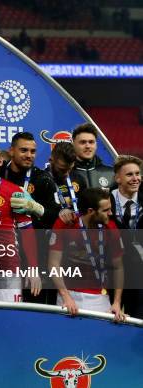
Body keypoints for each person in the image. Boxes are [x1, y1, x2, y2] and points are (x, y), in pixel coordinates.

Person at [0, 144, 41, 302]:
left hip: (7, 268)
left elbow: (27, 232)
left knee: (10, 318)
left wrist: (32, 268)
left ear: (0, 162)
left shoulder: (14, 192)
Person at [49, 188, 125, 321]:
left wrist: (117, 302)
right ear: (91, 211)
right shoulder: (66, 223)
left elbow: (118, 267)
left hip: (99, 298)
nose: (111, 213)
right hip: (67, 295)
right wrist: (65, 296)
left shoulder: (111, 228)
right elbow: (53, 263)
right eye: (106, 210)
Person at [0, 132, 58, 229]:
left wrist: (36, 208)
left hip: (33, 239)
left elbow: (55, 216)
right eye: (24, 150)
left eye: (33, 151)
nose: (29, 155)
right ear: (11, 151)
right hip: (2, 237)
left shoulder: (43, 178)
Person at [110, 155, 143, 318]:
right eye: (130, 174)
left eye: (138, 174)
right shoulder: (105, 201)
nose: (135, 178)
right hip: (110, 272)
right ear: (118, 178)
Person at [46, 142, 88, 226]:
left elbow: (85, 211)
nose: (66, 174)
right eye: (62, 169)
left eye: (69, 169)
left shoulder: (79, 179)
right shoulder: (41, 180)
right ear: (51, 161)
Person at [72, 123, 113, 189]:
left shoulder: (111, 173)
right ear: (73, 144)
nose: (88, 146)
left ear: (96, 145)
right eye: (83, 142)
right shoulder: (65, 175)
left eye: (91, 142)